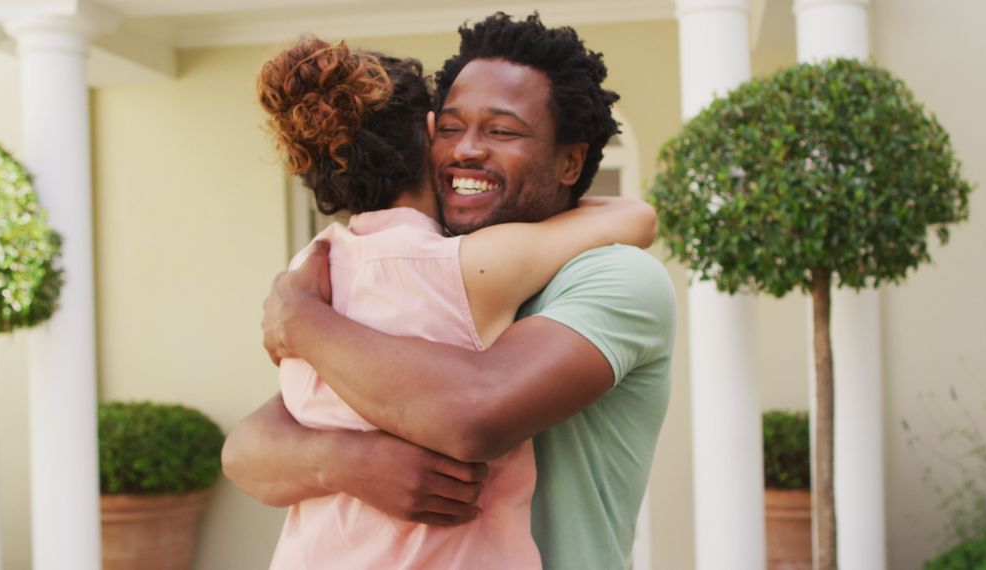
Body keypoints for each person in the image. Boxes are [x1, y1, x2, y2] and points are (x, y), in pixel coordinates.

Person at [224, 13, 677, 570]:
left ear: (570, 161)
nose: (465, 151)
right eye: (450, 128)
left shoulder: (613, 277)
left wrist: (301, 321)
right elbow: (248, 449)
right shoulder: (421, 269)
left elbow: (472, 414)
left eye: (502, 131)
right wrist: (345, 460)